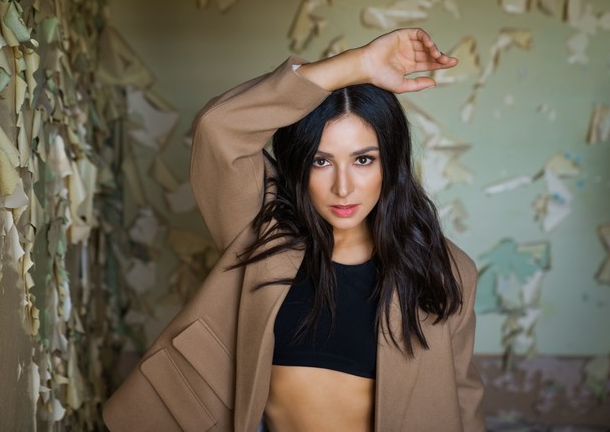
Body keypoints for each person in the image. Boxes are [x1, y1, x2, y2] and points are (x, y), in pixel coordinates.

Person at [103, 28, 485, 431]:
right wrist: (356, 65)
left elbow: (461, 397)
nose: (343, 187)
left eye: (363, 160)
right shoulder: (263, 230)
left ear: (390, 163)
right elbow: (219, 129)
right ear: (298, 165)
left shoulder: (444, 270)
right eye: (321, 161)